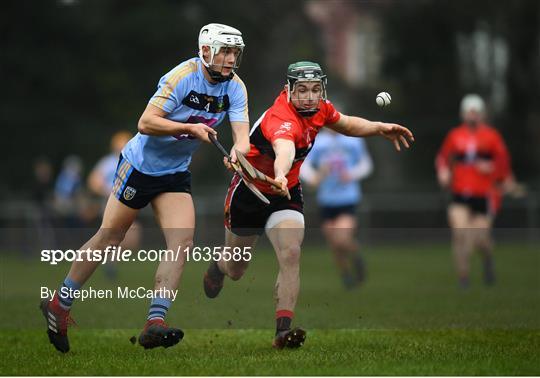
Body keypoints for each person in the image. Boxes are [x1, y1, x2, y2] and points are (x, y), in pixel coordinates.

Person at [40, 23, 250, 353]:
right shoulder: (181, 77)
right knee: (110, 237)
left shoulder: (236, 88)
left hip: (175, 174)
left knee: (182, 242)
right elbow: (145, 123)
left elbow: (242, 136)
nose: (230, 59)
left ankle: (155, 322)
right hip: (140, 167)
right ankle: (59, 305)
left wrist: (238, 154)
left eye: (234, 53)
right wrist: (190, 128)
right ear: (206, 51)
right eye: (224, 51)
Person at [203, 61, 414, 349]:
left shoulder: (320, 109)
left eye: (315, 90)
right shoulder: (280, 118)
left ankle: (282, 332)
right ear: (288, 90)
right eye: (302, 90)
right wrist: (279, 173)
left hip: (285, 192)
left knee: (291, 253)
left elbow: (347, 124)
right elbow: (284, 148)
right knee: (237, 268)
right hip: (249, 192)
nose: (309, 96)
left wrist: (379, 127)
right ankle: (218, 267)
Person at [435, 94, 519, 289]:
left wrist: (492, 168)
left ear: (481, 114)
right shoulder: (454, 136)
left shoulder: (492, 137)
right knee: (460, 234)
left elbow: (504, 165)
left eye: (475, 112)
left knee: (479, 239)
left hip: (485, 196)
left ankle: (488, 257)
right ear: (463, 114)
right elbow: (442, 158)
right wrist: (443, 172)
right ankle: (463, 279)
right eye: (468, 112)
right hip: (460, 195)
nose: (472, 116)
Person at [300, 128, 373, 289]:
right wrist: (314, 177)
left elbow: (366, 164)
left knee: (342, 239)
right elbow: (304, 165)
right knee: (333, 243)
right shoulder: (317, 141)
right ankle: (346, 275)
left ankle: (357, 257)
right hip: (326, 199)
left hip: (347, 198)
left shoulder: (354, 140)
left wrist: (351, 174)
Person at [87, 131, 140, 280]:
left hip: (129, 202)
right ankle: (107, 260)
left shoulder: (134, 160)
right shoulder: (108, 162)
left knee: (129, 238)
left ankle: (109, 259)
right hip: (113, 202)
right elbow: (93, 182)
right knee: (117, 234)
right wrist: (108, 191)